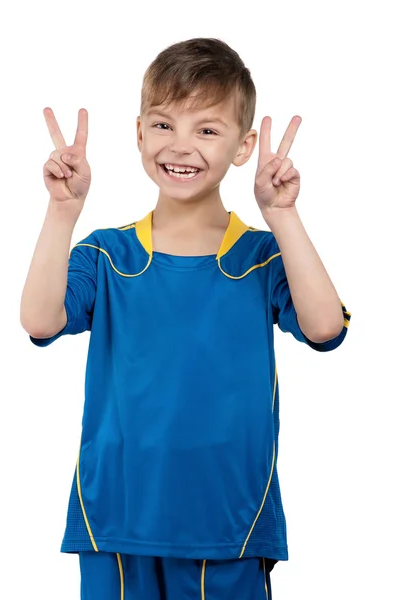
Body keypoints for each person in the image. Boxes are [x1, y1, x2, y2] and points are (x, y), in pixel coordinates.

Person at [20, 37, 351, 600]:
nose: (181, 145)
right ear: (140, 132)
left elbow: (325, 328)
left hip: (228, 525)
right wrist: (61, 214)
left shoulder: (263, 257)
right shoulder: (107, 255)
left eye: (206, 129)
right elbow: (39, 321)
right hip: (116, 521)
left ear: (243, 146)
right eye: (163, 124)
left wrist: (283, 216)